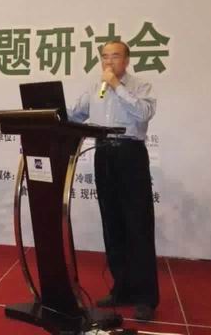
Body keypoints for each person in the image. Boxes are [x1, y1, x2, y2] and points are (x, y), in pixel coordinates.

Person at [69, 40, 159, 321]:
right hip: (104, 154)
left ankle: (145, 297)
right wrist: (49, 112)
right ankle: (122, 289)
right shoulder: (95, 88)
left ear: (127, 60)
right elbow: (76, 114)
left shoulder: (140, 86)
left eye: (115, 56)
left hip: (130, 155)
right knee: (112, 224)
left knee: (138, 226)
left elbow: (143, 114)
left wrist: (117, 86)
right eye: (105, 57)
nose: (108, 61)